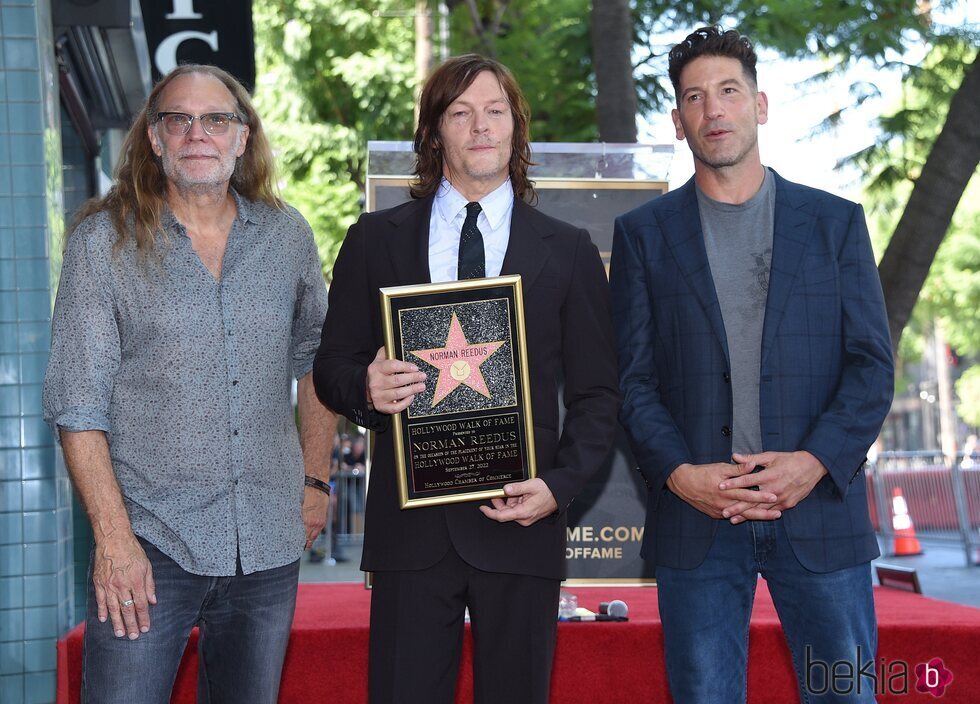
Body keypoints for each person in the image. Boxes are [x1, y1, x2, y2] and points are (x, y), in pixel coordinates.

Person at [313, 54, 619, 704]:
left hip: (522, 524)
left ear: (515, 129)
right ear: (434, 134)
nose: (480, 127)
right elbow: (331, 368)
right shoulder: (373, 240)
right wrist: (365, 388)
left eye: (495, 111)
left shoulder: (567, 252)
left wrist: (557, 488)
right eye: (461, 113)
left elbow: (599, 397)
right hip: (409, 538)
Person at [610, 27, 894, 703]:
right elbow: (634, 381)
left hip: (818, 513)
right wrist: (681, 476)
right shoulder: (642, 236)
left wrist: (814, 461)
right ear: (679, 123)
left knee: (847, 693)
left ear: (760, 106)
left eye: (728, 92)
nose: (713, 110)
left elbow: (872, 367)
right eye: (694, 98)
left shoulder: (836, 224)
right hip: (700, 520)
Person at [42, 64, 336, 703]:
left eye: (217, 119)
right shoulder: (104, 243)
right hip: (148, 545)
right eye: (179, 119)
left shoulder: (287, 237)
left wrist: (315, 481)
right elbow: (76, 403)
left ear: (241, 136)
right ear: (154, 137)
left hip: (266, 540)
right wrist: (114, 542)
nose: (197, 133)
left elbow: (318, 358)